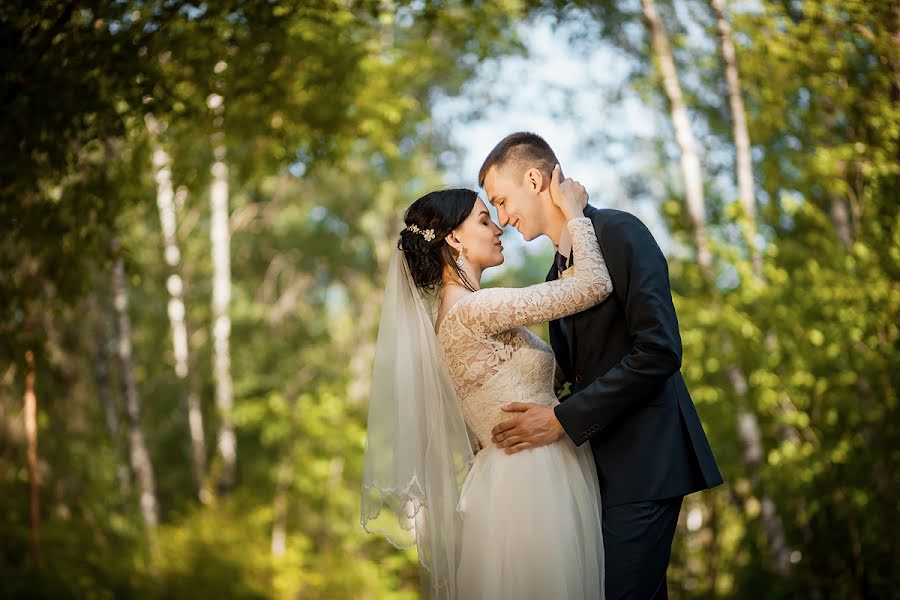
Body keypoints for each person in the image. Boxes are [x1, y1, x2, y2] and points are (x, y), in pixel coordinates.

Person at [481, 131, 724, 599]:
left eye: (500, 200)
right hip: (597, 473)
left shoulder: (620, 232)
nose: (501, 218)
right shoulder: (556, 274)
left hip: (645, 464)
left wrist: (561, 420)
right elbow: (582, 372)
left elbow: (659, 349)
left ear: (534, 179)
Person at [362, 166, 613, 599]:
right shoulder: (476, 310)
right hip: (533, 477)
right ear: (454, 239)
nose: (499, 227)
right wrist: (575, 214)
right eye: (483, 219)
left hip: (507, 478)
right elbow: (594, 284)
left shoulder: (450, 318)